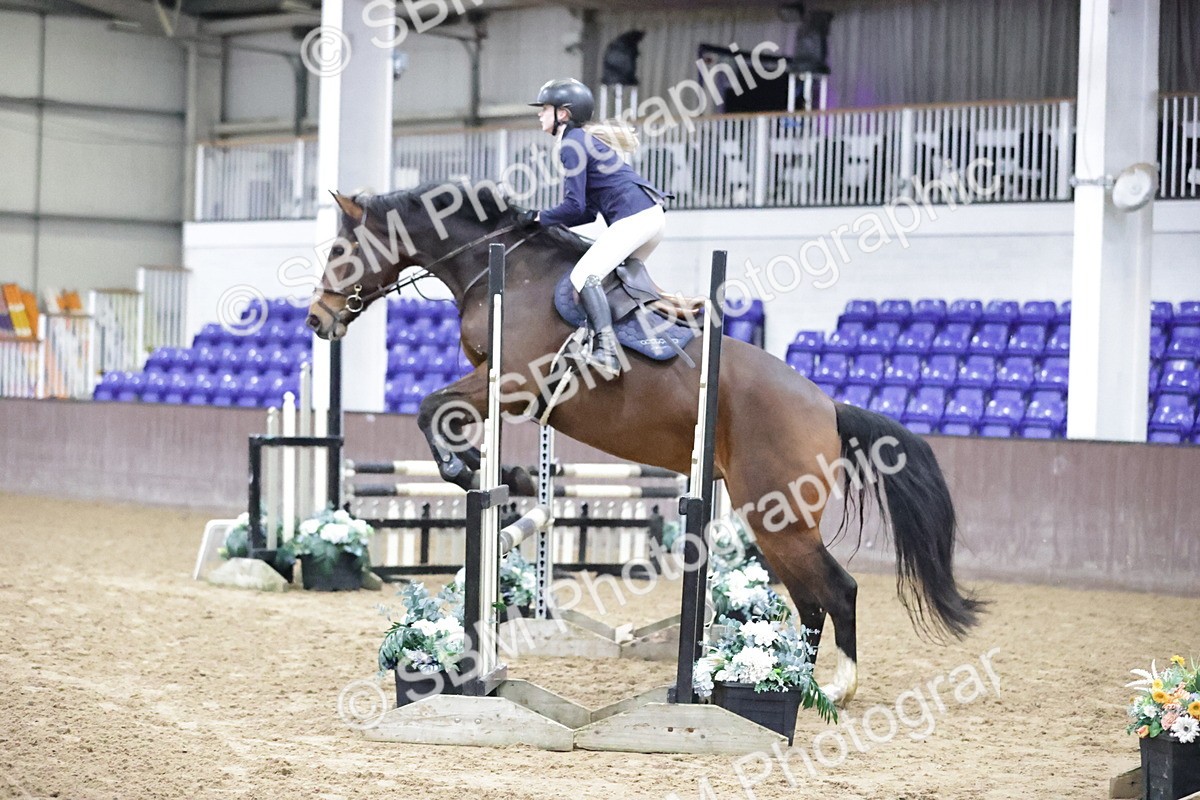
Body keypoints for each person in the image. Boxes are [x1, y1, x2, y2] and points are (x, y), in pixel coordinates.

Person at [521, 78, 668, 379]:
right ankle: (627, 340)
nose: (539, 114)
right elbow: (587, 212)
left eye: (545, 109)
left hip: (635, 219)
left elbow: (574, 207)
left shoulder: (571, 144)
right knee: (609, 280)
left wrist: (539, 217)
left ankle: (606, 352)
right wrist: (547, 219)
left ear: (563, 113)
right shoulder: (583, 140)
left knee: (584, 276)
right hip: (649, 219)